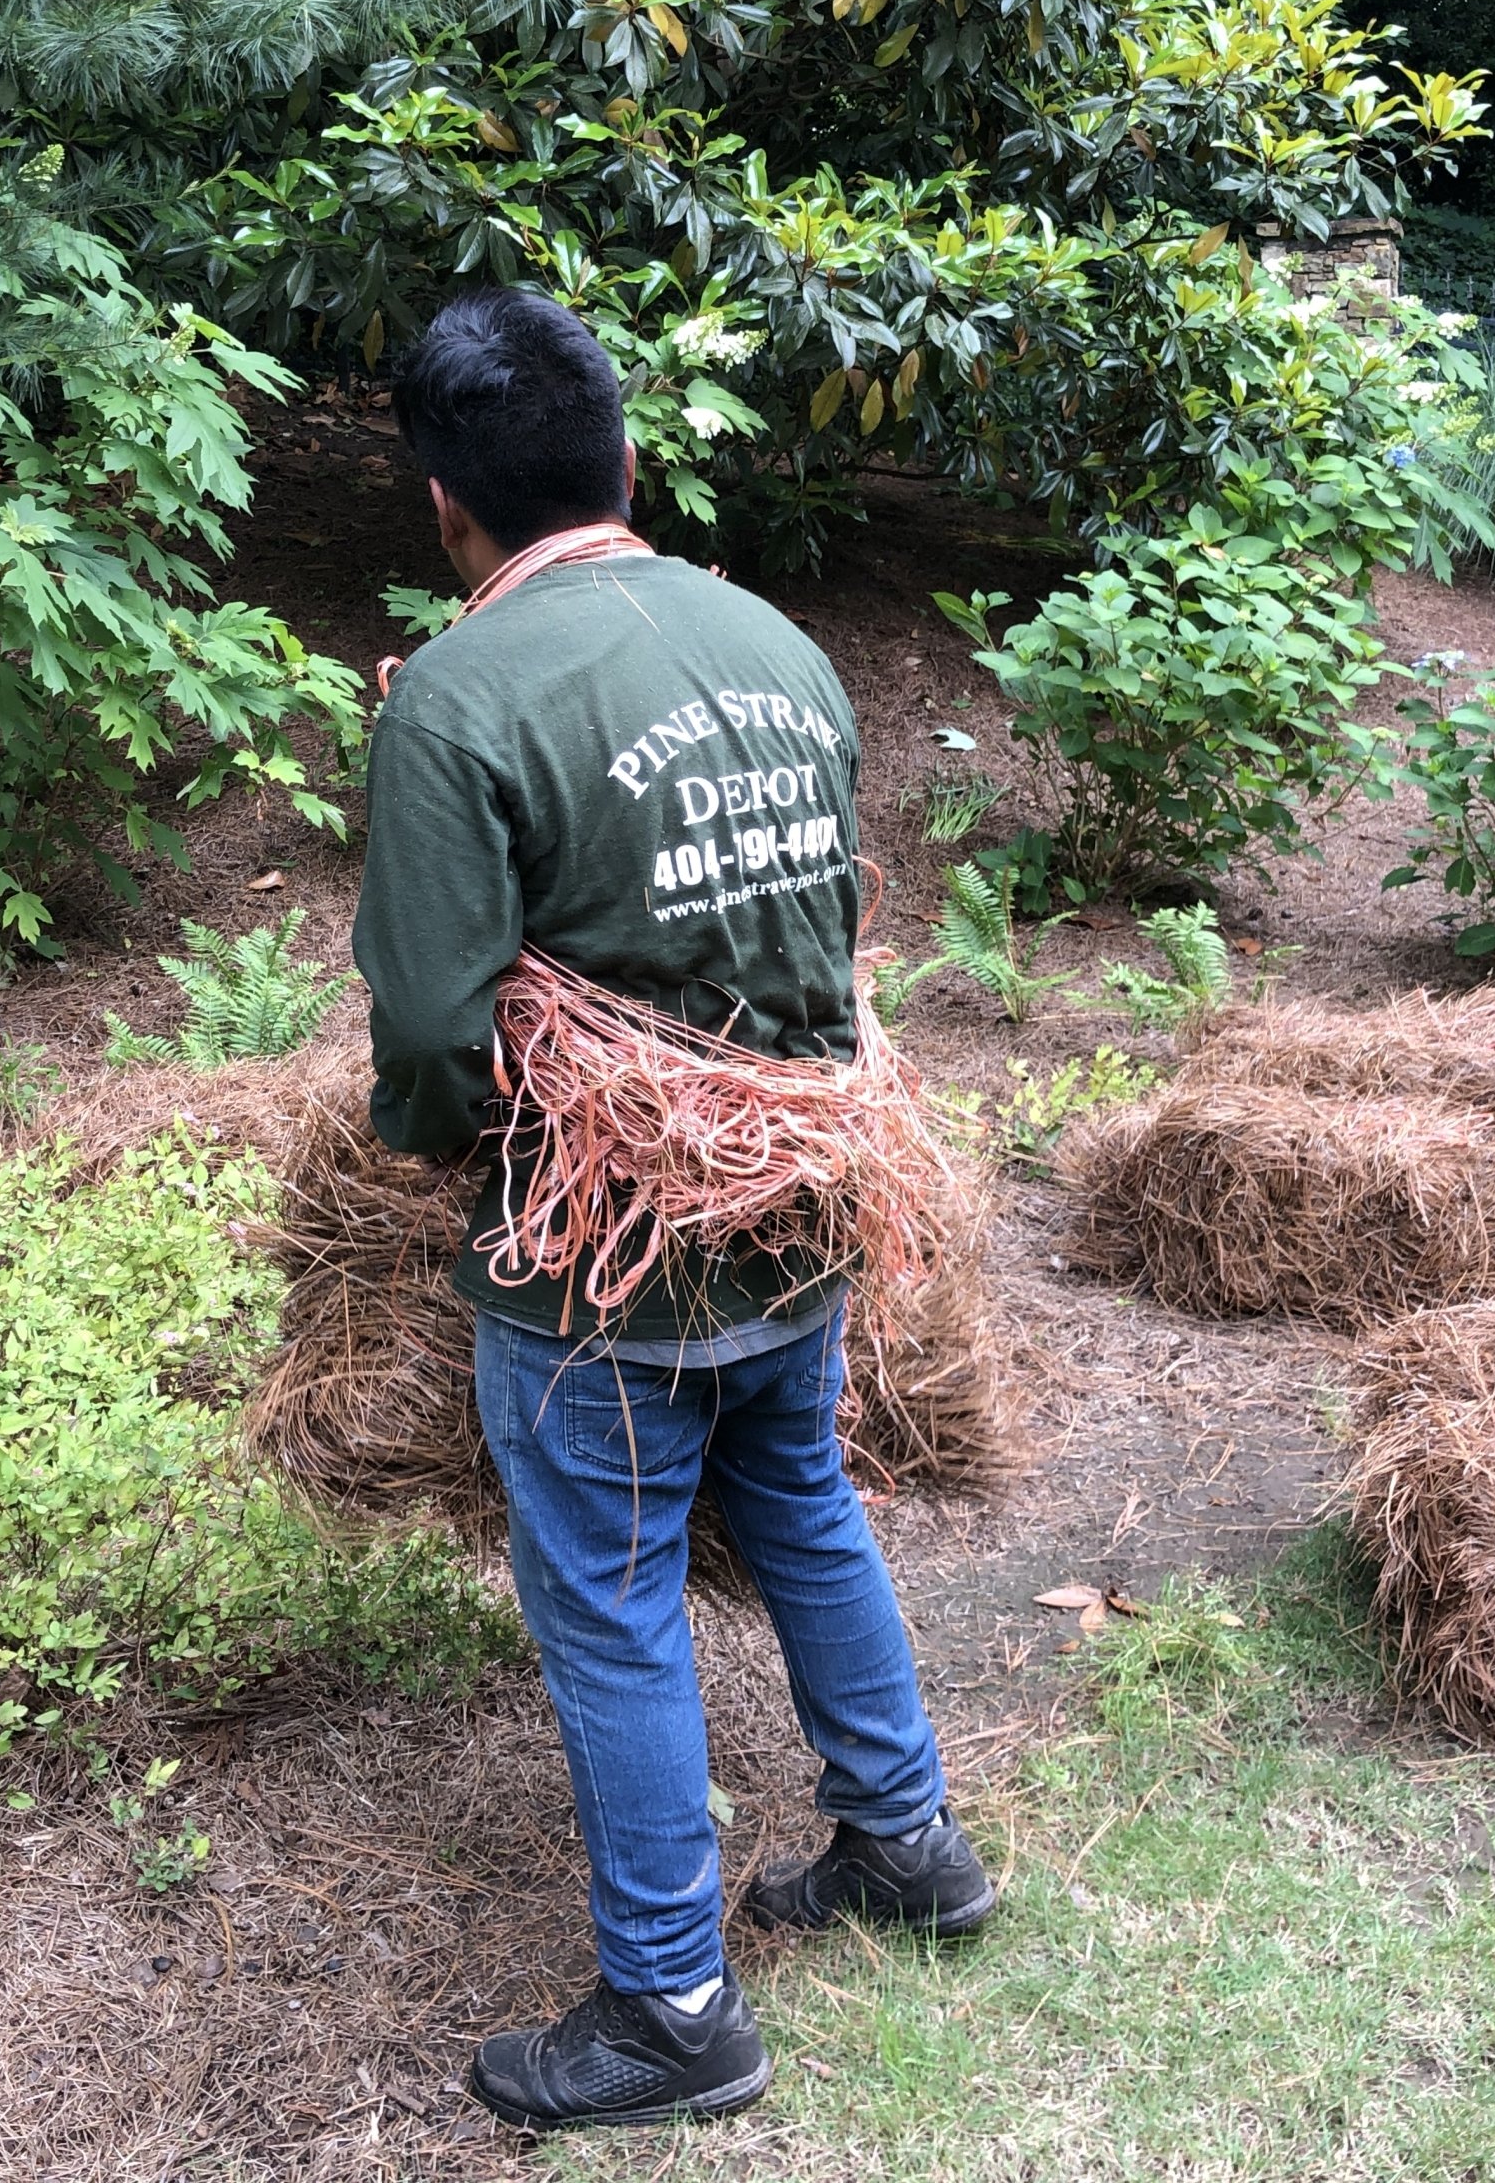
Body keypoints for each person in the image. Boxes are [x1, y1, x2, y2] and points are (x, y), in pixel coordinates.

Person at [351, 287, 994, 2135]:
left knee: (615, 1606)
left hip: (602, 1261)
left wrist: (450, 1156)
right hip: (806, 1195)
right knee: (800, 1500)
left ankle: (674, 2013)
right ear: (627, 460)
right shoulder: (773, 639)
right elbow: (839, 928)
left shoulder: (461, 701)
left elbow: (429, 1026)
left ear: (443, 508)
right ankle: (909, 1844)